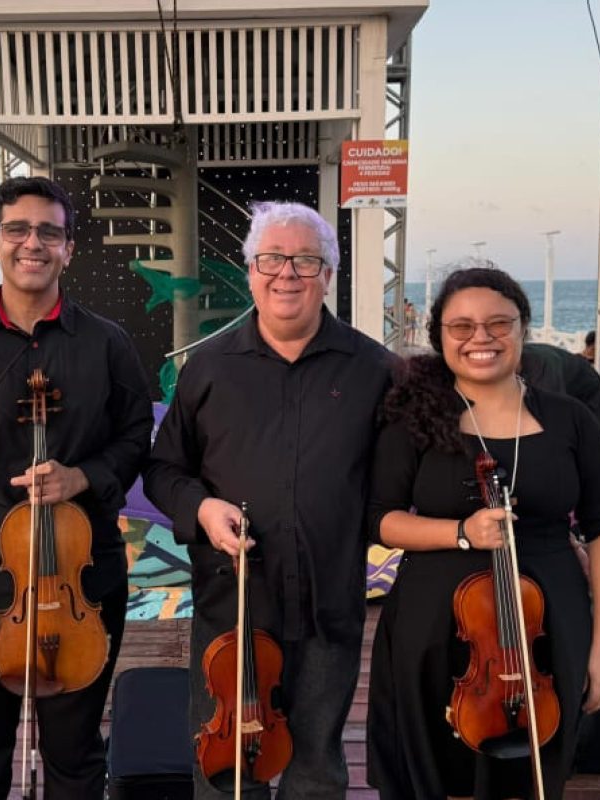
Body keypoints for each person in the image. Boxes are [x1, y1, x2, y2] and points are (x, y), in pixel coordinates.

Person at [0, 175, 152, 799]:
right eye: (18, 229)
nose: (33, 243)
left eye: (49, 231)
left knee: (76, 758)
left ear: (69, 247)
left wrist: (84, 477)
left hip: (83, 583)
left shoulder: (107, 343)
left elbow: (135, 440)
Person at [145, 201, 393, 798]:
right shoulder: (206, 369)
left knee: (316, 768)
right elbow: (163, 470)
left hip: (328, 604)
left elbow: (403, 483)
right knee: (227, 769)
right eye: (272, 259)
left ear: (328, 275)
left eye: (305, 260)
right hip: (232, 610)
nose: (287, 273)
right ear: (252, 271)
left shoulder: (376, 369)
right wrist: (203, 509)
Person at [364, 266, 600, 800]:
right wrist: (460, 531)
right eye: (461, 327)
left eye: (497, 323)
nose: (480, 338)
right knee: (433, 769)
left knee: (534, 769)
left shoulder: (570, 420)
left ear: (523, 328)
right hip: (434, 620)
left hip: (551, 618)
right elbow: (381, 520)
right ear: (439, 336)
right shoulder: (414, 416)